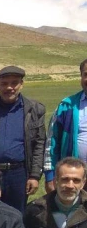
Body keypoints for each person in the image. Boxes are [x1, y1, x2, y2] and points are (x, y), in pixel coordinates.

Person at [0, 66, 46, 214]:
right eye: (4, 83)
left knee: (16, 215)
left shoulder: (34, 110)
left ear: (21, 84)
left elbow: (39, 144)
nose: (9, 88)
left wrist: (34, 175)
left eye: (14, 83)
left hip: (19, 174)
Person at [44, 58, 87, 192]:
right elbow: (52, 143)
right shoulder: (66, 106)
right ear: (81, 76)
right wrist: (50, 176)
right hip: (73, 179)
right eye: (86, 74)